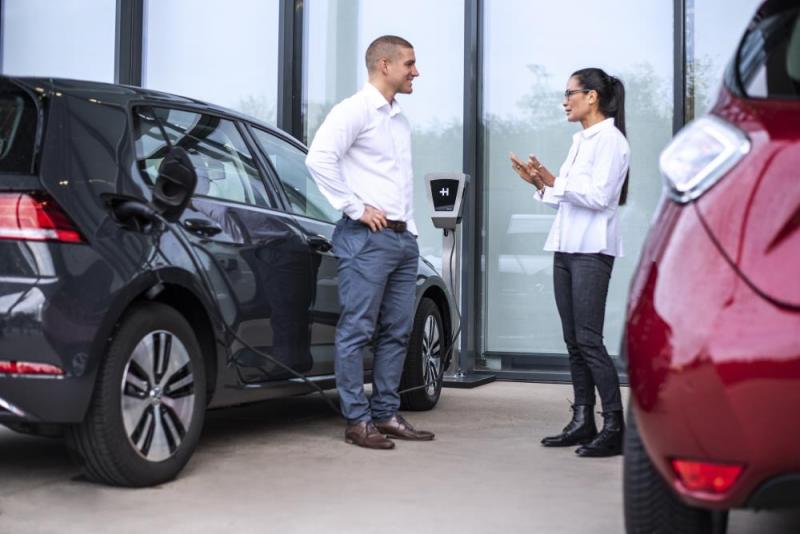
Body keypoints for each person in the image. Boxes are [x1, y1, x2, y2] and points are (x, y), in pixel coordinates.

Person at [305, 35, 435, 450]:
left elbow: (396, 180)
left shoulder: (398, 119)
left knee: (397, 331)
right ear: (384, 65)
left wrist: (410, 230)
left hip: (402, 239)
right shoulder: (355, 110)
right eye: (409, 64)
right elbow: (318, 158)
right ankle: (357, 421)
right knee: (357, 329)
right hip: (367, 239)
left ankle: (385, 414)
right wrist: (355, 207)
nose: (416, 72)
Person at [510, 67, 630, 457]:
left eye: (569, 93)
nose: (564, 101)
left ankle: (614, 426)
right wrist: (540, 184)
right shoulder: (581, 140)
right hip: (566, 247)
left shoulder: (610, 141)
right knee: (574, 341)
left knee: (589, 340)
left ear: (592, 96)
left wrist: (554, 181)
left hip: (592, 250)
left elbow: (599, 197)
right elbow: (570, 199)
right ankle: (582, 420)